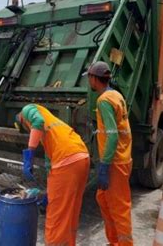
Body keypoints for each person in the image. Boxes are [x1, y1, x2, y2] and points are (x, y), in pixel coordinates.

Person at [15, 104, 90, 246]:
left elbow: (37, 122)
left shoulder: (27, 110)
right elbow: (50, 166)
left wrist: (29, 153)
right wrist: (49, 194)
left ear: (22, 120)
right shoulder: (52, 125)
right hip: (81, 156)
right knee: (70, 212)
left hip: (66, 160)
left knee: (55, 217)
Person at [86, 61, 134, 246]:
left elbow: (113, 136)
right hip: (121, 158)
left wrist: (105, 165)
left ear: (94, 78)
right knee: (103, 199)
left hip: (115, 162)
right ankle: (114, 241)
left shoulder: (104, 101)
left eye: (89, 77)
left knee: (119, 208)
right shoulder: (116, 95)